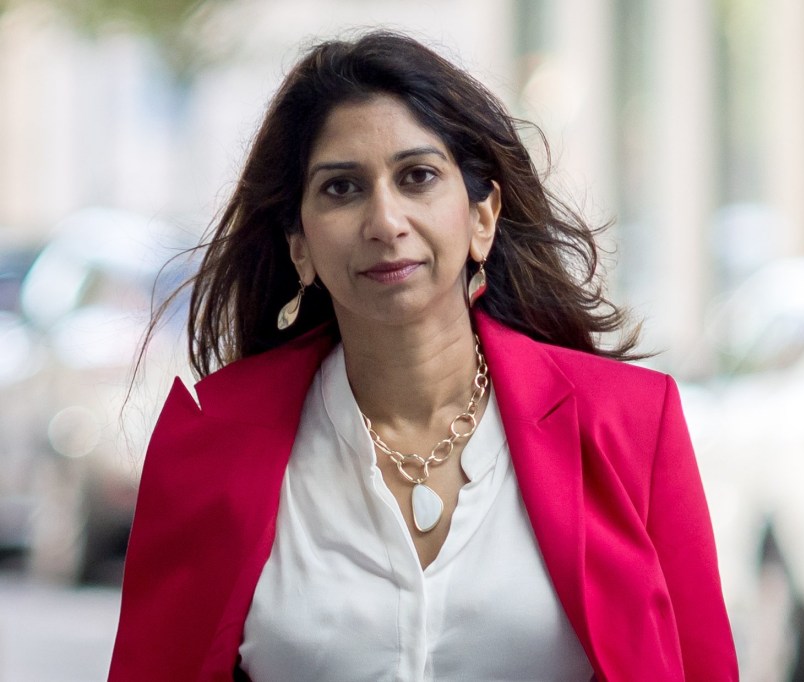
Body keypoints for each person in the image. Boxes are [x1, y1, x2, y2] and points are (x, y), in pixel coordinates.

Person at [107, 31, 737, 681]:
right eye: (342, 188)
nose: (385, 220)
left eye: (418, 177)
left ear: (482, 217)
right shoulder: (209, 442)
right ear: (300, 243)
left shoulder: (631, 425)